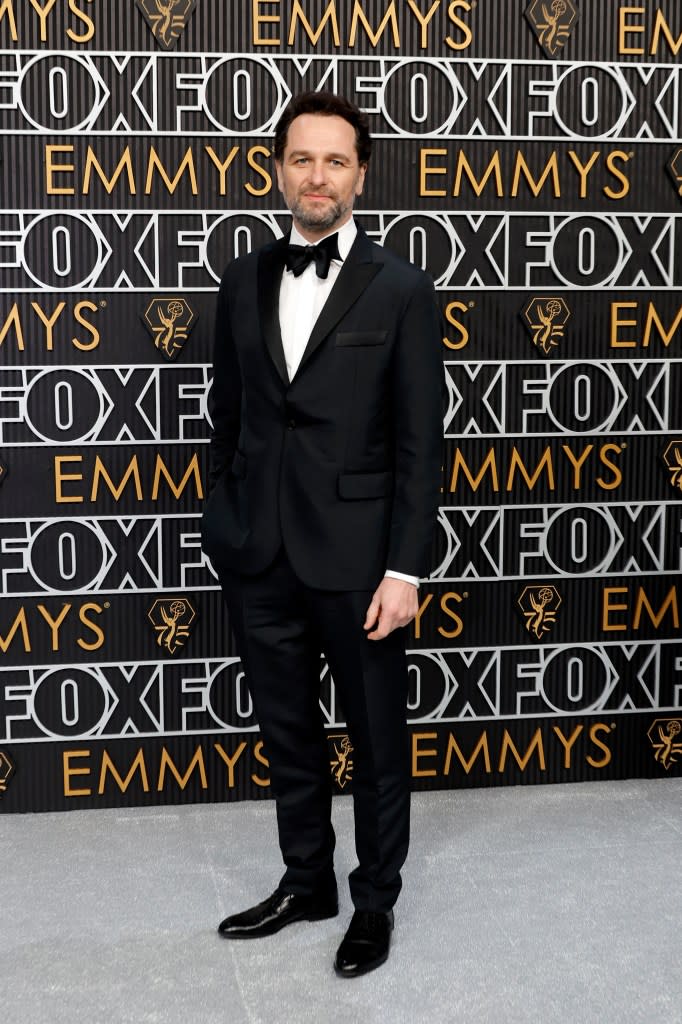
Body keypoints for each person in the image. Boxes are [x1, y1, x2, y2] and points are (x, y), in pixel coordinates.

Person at [201, 91, 443, 977]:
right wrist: (225, 516)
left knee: (377, 740)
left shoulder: (402, 289)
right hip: (259, 550)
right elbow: (229, 416)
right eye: (302, 159)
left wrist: (404, 569)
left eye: (335, 161)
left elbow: (422, 447)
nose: (317, 176)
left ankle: (373, 901)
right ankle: (307, 880)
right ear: (277, 170)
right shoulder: (241, 279)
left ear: (361, 176)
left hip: (358, 563)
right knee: (287, 731)